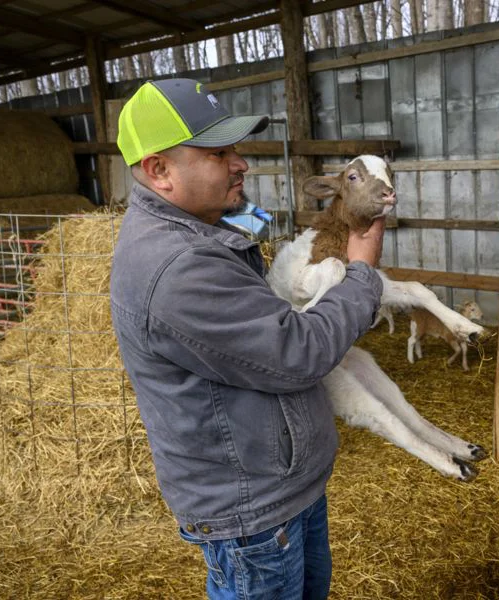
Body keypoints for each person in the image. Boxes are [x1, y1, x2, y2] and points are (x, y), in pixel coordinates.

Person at [109, 78, 385, 600]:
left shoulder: (201, 234)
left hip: (279, 489)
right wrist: (363, 275)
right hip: (251, 514)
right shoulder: (180, 267)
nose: (241, 163)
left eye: (235, 149)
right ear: (159, 170)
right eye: (218, 153)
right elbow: (298, 351)